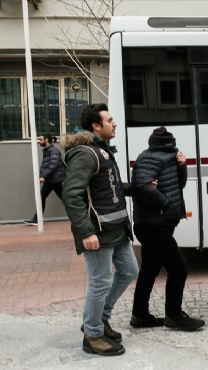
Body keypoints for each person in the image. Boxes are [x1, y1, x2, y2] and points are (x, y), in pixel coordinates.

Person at [62, 103, 139, 356]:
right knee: (100, 282)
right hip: (97, 232)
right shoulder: (87, 154)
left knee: (129, 270)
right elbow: (71, 195)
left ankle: (99, 319)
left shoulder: (102, 150)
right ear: (96, 126)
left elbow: (108, 188)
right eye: (110, 119)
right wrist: (86, 232)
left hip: (115, 229)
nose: (114, 123)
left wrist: (141, 187)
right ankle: (92, 335)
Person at [129, 127, 205, 331]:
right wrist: (165, 203)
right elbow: (142, 186)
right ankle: (174, 316)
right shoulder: (150, 158)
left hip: (156, 224)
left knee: (150, 269)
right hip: (153, 225)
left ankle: (140, 315)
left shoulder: (167, 157)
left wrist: (182, 165)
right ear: (167, 143)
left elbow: (179, 184)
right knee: (179, 268)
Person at [24, 134, 65, 225]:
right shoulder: (47, 151)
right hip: (50, 180)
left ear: (46, 140)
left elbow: (53, 165)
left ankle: (80, 215)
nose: (39, 141)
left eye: (41, 139)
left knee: (65, 199)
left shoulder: (53, 151)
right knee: (41, 197)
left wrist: (44, 176)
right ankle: (37, 219)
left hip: (54, 180)